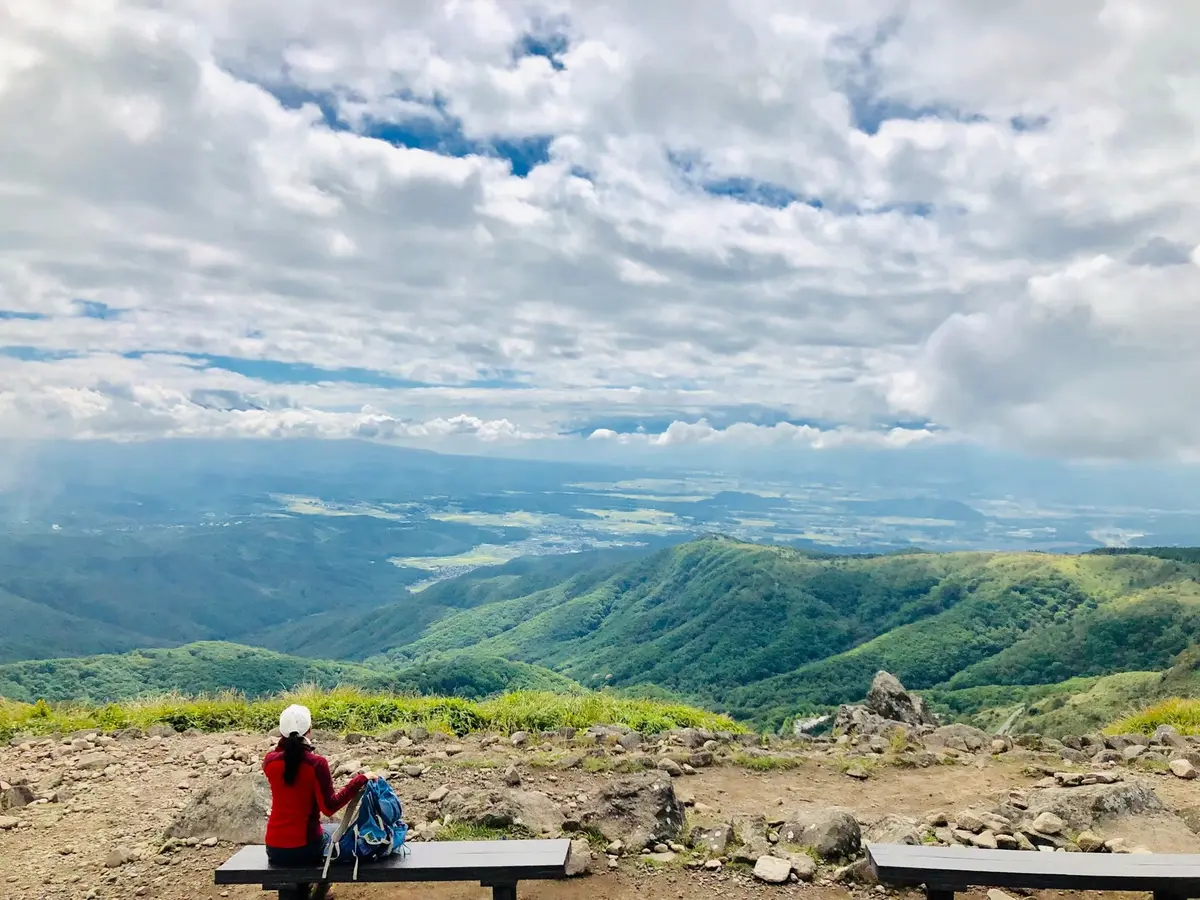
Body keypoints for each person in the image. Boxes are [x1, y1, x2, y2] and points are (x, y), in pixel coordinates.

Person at [263, 704, 373, 898]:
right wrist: (359, 781)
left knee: (324, 833)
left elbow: (288, 764)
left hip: (274, 848)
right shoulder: (315, 764)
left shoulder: (270, 761)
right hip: (305, 848)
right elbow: (329, 807)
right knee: (335, 832)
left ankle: (309, 891)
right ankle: (321, 888)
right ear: (309, 730)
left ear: (281, 732)